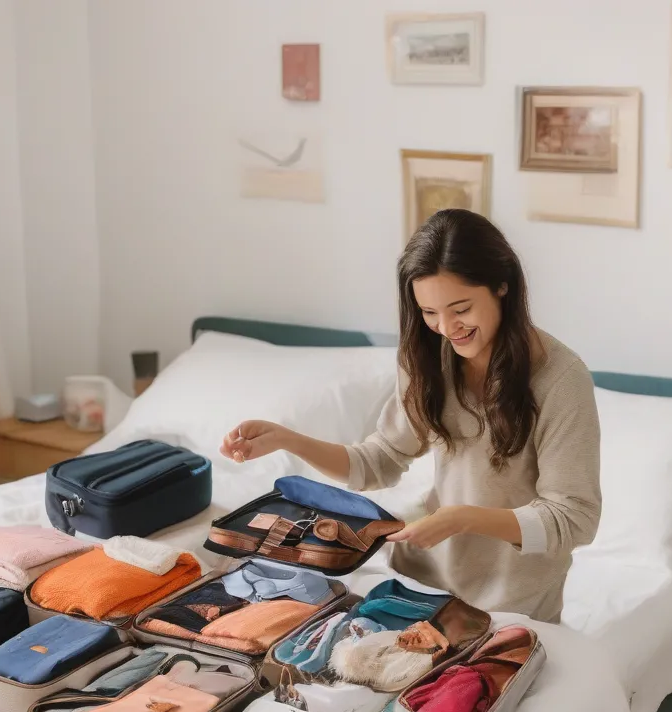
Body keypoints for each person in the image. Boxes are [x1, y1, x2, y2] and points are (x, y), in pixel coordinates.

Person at [220, 209, 601, 622]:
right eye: (429, 312)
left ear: (502, 286)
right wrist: (287, 439)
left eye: (460, 308)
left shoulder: (561, 380)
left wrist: (462, 518)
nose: (446, 327)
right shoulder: (428, 356)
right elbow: (379, 461)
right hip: (419, 583)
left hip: (514, 605)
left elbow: (575, 518)